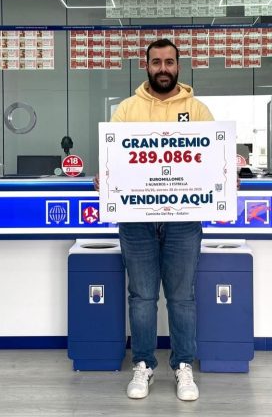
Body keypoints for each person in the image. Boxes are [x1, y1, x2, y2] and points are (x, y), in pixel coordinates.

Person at [93, 38, 213, 401]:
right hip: (135, 220)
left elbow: (210, 163)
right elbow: (112, 159)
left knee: (182, 297)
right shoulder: (126, 110)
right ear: (145, 66)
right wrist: (106, 175)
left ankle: (183, 367)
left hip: (184, 220)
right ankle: (143, 366)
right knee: (142, 297)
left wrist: (225, 177)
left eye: (169, 62)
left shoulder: (198, 111)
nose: (163, 68)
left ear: (179, 66)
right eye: (156, 62)